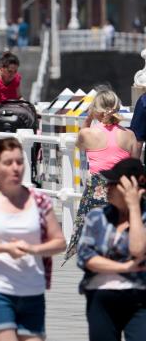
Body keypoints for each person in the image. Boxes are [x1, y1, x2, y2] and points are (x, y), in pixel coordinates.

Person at [0, 138, 66, 341]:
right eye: (8, 163)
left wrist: (34, 249)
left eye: (19, 162)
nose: (16, 168)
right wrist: (4, 247)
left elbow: (59, 242)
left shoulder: (39, 200)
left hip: (32, 289)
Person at [76, 158, 146, 341]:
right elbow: (85, 257)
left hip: (140, 297)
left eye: (114, 183)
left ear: (131, 187)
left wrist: (134, 208)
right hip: (100, 294)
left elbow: (138, 250)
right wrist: (125, 267)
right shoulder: (96, 217)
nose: (107, 186)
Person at [66, 90, 139, 258]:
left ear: (96, 110)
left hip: (97, 191)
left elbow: (80, 144)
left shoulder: (88, 133)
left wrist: (88, 118)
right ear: (117, 108)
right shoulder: (130, 135)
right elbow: (134, 166)